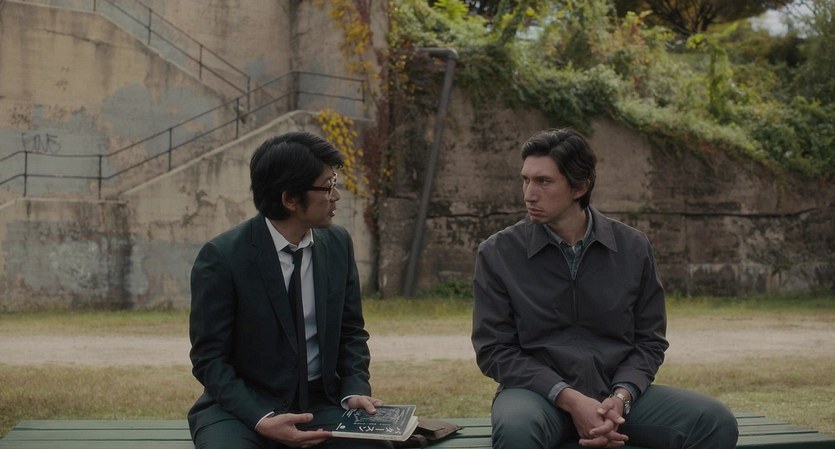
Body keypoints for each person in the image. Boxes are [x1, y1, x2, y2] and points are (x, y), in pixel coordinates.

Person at [471, 128, 739, 449]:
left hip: (616, 397)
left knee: (715, 421)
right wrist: (569, 398)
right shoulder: (497, 253)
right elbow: (495, 350)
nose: (529, 194)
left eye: (543, 181)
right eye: (525, 180)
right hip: (536, 396)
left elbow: (649, 341)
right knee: (517, 430)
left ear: (579, 187)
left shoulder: (633, 247)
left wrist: (621, 397)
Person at [188, 131, 393, 449]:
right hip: (241, 408)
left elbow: (351, 332)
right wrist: (260, 418)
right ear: (290, 199)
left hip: (320, 402)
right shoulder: (222, 257)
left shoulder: (337, 244)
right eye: (328, 186)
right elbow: (209, 359)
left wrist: (354, 390)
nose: (337, 196)